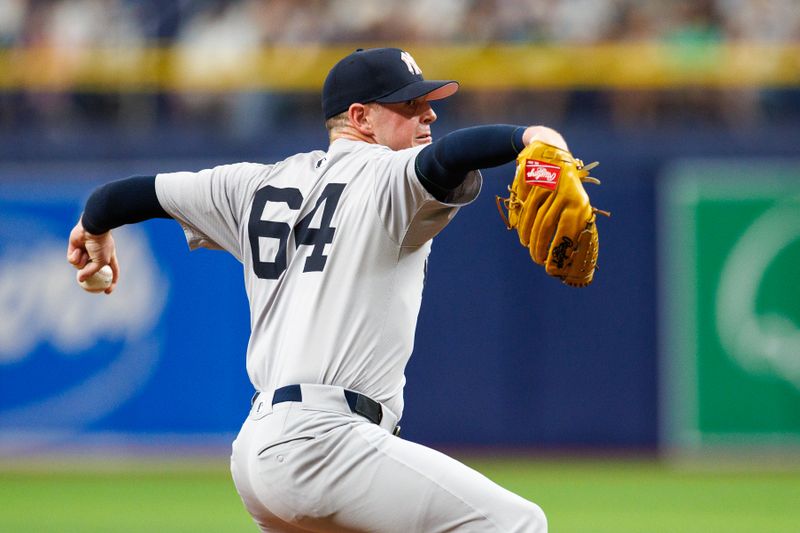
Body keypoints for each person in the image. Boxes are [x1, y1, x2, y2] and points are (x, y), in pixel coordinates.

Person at [67, 47, 566, 532]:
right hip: (326, 443)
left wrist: (94, 226)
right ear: (361, 118)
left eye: (429, 103)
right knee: (517, 522)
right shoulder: (385, 175)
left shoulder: (253, 185)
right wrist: (529, 136)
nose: (429, 116)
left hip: (258, 452)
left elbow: (129, 194)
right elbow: (445, 161)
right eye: (410, 105)